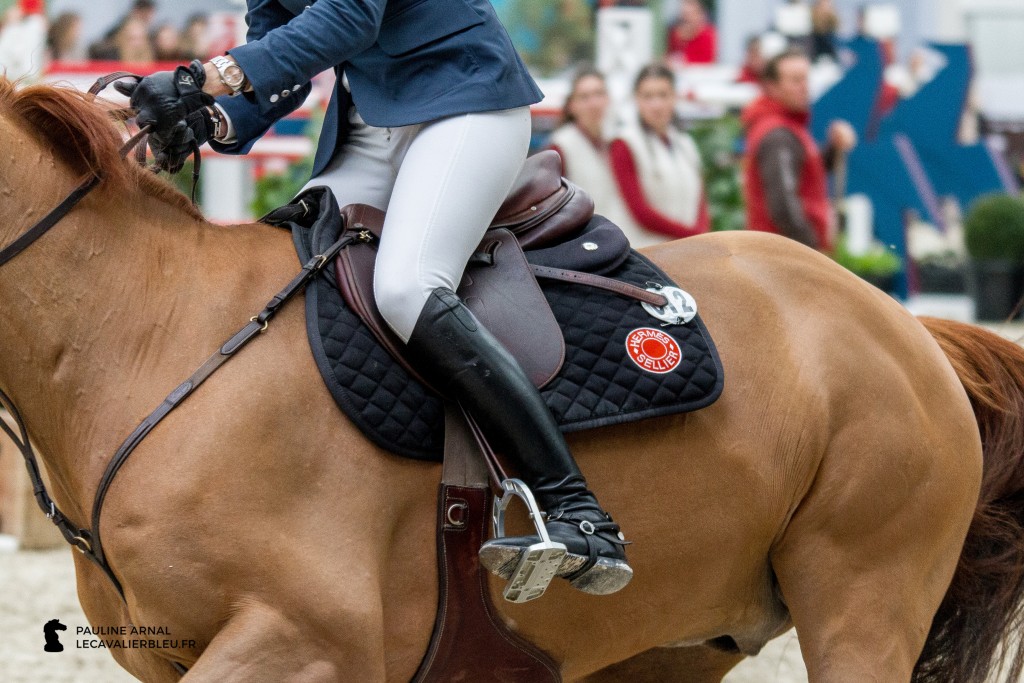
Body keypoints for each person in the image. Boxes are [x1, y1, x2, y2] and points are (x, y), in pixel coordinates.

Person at [117, 0, 632, 595]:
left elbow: (349, 17)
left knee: (407, 287)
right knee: (279, 274)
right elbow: (275, 43)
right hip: (369, 128)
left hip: (462, 103)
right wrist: (210, 119)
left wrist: (198, 79)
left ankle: (576, 509)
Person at [741, 48, 857, 251]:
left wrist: (832, 150)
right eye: (795, 80)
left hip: (785, 255)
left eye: (805, 79)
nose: (804, 87)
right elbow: (783, 206)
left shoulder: (788, 126)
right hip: (782, 258)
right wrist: (812, 252)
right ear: (772, 87)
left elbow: (805, 175)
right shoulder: (777, 135)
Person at [608, 64, 710, 248]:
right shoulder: (624, 143)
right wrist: (693, 236)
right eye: (648, 96)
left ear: (675, 97)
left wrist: (700, 234)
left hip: (688, 252)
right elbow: (641, 212)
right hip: (645, 256)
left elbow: (700, 200)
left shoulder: (685, 143)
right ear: (636, 99)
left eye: (663, 95)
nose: (656, 105)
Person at [547, 67, 640, 239]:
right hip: (584, 242)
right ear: (572, 105)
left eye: (599, 94)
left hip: (618, 238)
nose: (594, 103)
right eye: (584, 97)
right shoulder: (560, 147)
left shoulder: (616, 141)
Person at [665, 0, 716, 65]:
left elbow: (708, 60)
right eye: (684, 16)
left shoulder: (707, 35)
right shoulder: (675, 34)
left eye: (691, 14)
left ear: (700, 15)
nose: (687, 20)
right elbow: (669, 56)